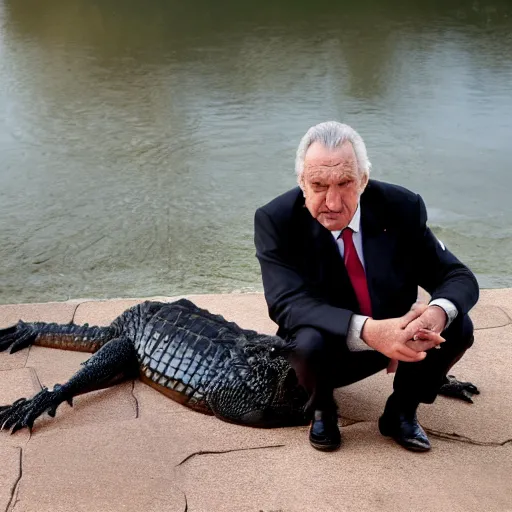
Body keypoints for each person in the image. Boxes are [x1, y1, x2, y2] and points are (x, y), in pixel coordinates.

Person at [254, 121, 479, 452]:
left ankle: (401, 411)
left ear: (363, 179)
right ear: (302, 183)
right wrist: (370, 331)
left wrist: (434, 313)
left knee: (458, 323)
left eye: (345, 183)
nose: (332, 201)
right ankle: (322, 410)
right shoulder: (276, 220)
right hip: (328, 345)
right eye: (318, 185)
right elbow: (286, 303)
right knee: (306, 342)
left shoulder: (402, 207)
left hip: (401, 334)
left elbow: (458, 275)